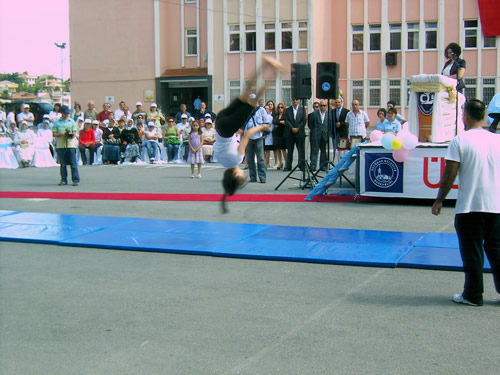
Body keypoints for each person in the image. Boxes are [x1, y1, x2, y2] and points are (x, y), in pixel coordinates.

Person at [431, 99, 500, 306]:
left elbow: (449, 174)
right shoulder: (497, 140)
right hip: (496, 206)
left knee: (472, 251)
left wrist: (439, 200)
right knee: (496, 251)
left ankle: (473, 294)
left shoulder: (460, 141)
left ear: (466, 116)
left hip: (470, 206)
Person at [215, 56, 284, 213]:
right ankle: (264, 64)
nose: (243, 173)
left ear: (236, 176)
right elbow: (219, 144)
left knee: (255, 98)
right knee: (247, 93)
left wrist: (262, 127)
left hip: (228, 128)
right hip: (219, 123)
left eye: (241, 176)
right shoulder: (221, 160)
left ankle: (274, 72)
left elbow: (247, 135)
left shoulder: (237, 159)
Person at [52, 105, 80, 185]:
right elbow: (54, 133)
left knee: (73, 163)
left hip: (70, 145)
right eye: (64, 113)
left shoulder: (71, 122)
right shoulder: (57, 122)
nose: (66, 115)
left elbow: (74, 132)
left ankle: (75, 180)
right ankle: (63, 179)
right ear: (61, 113)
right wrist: (61, 134)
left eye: (67, 114)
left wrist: (70, 135)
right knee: (63, 164)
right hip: (61, 145)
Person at [244, 97, 268, 183]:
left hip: (258, 136)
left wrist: (265, 132)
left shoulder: (261, 110)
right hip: (249, 136)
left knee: (260, 158)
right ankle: (253, 177)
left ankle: (262, 177)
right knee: (250, 158)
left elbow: (266, 122)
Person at [284, 98, 306, 171]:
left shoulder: (302, 110)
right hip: (290, 133)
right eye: (294, 100)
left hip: (299, 133)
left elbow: (304, 121)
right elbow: (286, 120)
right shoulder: (288, 110)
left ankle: (301, 165)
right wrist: (292, 128)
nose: (295, 101)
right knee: (290, 150)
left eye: (296, 100)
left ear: (299, 101)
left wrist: (297, 128)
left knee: (301, 150)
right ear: (292, 101)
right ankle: (288, 166)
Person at [309, 100, 329, 171]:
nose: (323, 107)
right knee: (315, 150)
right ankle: (313, 166)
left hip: (325, 135)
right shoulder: (314, 114)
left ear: (326, 106)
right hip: (316, 135)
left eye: (324, 105)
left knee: (323, 151)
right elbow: (310, 125)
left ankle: (323, 166)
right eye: (321, 106)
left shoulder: (328, 114)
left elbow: (329, 125)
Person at [272, 102, 287, 170]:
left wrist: (279, 122)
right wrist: (280, 122)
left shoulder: (285, 115)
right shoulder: (276, 115)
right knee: (278, 149)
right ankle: (280, 162)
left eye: (281, 107)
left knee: (283, 149)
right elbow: (274, 122)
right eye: (279, 107)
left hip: (283, 134)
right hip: (276, 134)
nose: (280, 109)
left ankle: (286, 163)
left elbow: (285, 122)